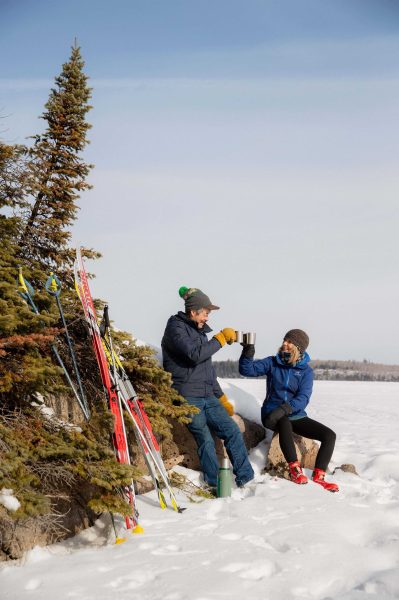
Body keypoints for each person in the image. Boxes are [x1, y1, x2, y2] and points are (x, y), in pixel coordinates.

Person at [162, 286, 254, 490]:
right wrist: (219, 339)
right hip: (187, 395)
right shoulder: (175, 328)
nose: (207, 318)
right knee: (204, 437)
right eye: (205, 313)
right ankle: (215, 483)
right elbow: (194, 354)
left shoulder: (200, 333)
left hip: (207, 395)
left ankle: (246, 478)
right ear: (193, 311)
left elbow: (207, 369)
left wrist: (220, 397)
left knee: (231, 430)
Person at [239, 329, 339, 492]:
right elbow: (247, 370)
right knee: (284, 423)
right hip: (272, 415)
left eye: (290, 341)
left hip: (294, 414)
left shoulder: (305, 371)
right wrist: (248, 351)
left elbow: (303, 397)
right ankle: (295, 470)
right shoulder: (272, 362)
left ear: (299, 347)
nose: (285, 343)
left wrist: (286, 408)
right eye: (285, 340)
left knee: (329, 435)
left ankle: (319, 476)